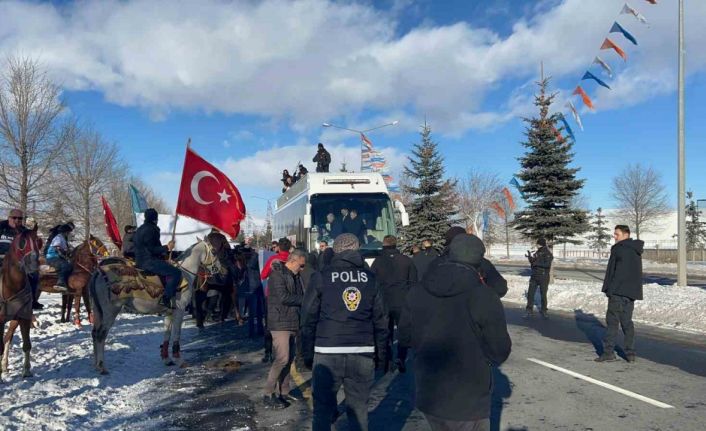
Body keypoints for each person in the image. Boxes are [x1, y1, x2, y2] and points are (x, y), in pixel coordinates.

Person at [399, 233, 512, 431]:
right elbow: (499, 350)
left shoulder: (418, 290)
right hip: (469, 398)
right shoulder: (484, 295)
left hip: (429, 392)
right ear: (479, 260)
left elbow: (405, 336)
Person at [301, 233, 388, 431]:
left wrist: (306, 354)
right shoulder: (370, 278)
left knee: (322, 411)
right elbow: (381, 321)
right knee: (359, 411)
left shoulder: (322, 277)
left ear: (335, 250)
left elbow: (308, 319)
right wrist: (381, 356)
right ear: (357, 250)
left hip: (327, 351)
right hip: (362, 350)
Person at [262, 249, 306, 409]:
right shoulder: (277, 275)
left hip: (293, 321)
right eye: (301, 266)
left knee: (289, 359)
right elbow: (284, 297)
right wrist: (306, 299)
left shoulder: (295, 276)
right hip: (280, 322)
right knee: (282, 358)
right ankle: (268, 393)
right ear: (293, 261)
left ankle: (284, 392)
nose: (302, 269)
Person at [595, 225, 644, 363]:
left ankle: (608, 352)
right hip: (630, 293)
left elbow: (616, 272)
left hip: (618, 292)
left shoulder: (620, 249)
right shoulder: (635, 249)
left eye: (616, 234)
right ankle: (630, 353)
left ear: (625, 234)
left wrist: (610, 290)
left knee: (612, 323)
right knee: (627, 323)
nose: (614, 237)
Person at [370, 235, 417, 373]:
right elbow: (414, 282)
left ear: (383, 245)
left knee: (385, 332)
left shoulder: (377, 262)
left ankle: (387, 360)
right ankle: (401, 358)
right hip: (402, 301)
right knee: (403, 332)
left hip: (383, 302)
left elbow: (372, 282)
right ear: (396, 245)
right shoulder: (406, 261)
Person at [133, 208, 180, 309]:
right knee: (176, 272)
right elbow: (151, 249)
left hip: (141, 260)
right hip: (149, 262)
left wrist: (166, 254)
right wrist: (167, 247)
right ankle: (166, 299)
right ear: (155, 219)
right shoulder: (151, 229)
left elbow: (152, 247)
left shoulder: (140, 229)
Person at [261, 237, 292, 363]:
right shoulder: (292, 259)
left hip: (273, 296)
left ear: (278, 247)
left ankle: (268, 353)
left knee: (270, 324)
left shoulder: (274, 259)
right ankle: (290, 352)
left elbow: (263, 275)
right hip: (290, 295)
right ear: (290, 247)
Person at [525, 238, 554, 318]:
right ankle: (529, 310)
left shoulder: (547, 253)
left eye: (537, 244)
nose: (536, 245)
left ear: (540, 244)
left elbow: (547, 264)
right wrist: (530, 259)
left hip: (543, 276)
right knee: (530, 293)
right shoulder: (537, 252)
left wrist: (537, 263)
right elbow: (534, 264)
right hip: (534, 276)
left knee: (543, 294)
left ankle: (544, 310)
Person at [45, 224, 73, 293]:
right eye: (68, 232)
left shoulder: (63, 239)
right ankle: (60, 283)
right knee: (65, 265)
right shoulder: (58, 238)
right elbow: (57, 248)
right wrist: (65, 253)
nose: (69, 234)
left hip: (58, 257)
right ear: (66, 232)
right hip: (52, 257)